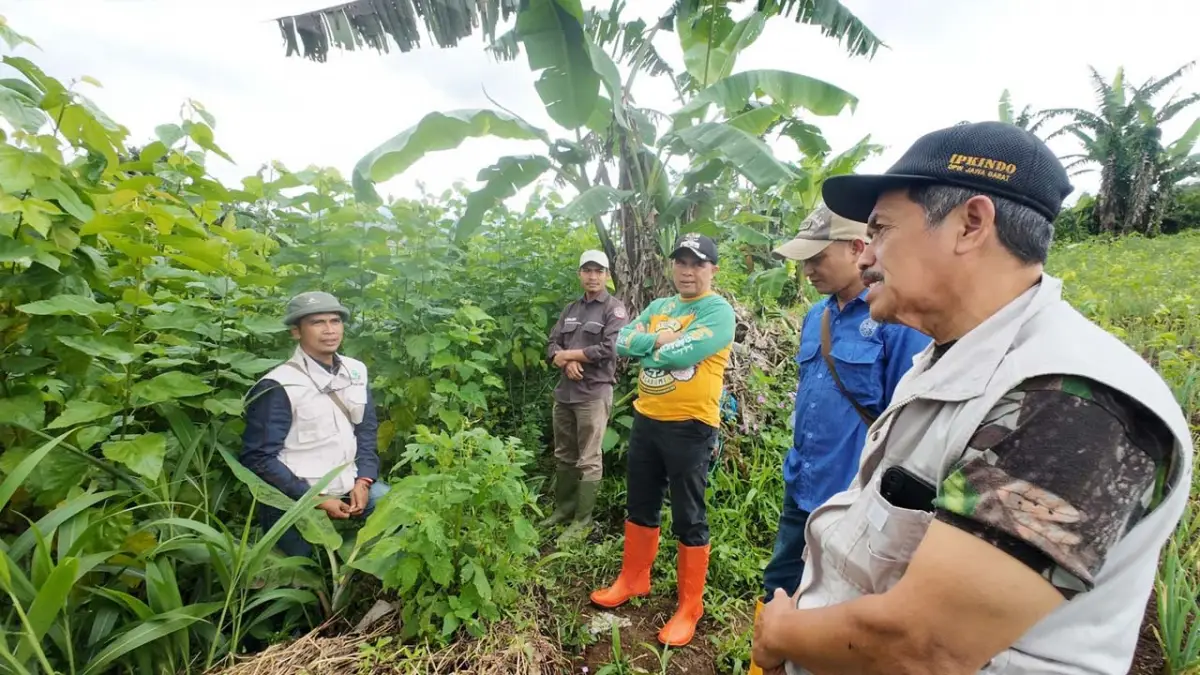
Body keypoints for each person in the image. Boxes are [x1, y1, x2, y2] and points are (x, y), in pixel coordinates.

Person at [751, 121, 1194, 675]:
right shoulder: (953, 358)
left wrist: (784, 633)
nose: (867, 258)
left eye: (883, 230)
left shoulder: (1072, 403)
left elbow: (924, 647)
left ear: (971, 225)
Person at [747, 206, 930, 675]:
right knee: (781, 585)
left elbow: (905, 423)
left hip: (854, 501)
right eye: (802, 259)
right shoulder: (816, 317)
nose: (807, 269)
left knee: (834, 605)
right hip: (802, 484)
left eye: (817, 257)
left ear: (857, 248)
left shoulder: (896, 322)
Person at [590, 232, 736, 648]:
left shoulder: (717, 311)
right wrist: (658, 340)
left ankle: (690, 605)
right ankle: (634, 578)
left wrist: (651, 348)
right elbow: (620, 341)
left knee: (689, 514)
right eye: (681, 262)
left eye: (697, 263)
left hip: (691, 426)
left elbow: (682, 356)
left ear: (712, 270)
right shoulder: (661, 307)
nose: (687, 271)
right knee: (640, 502)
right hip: (647, 420)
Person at [240, 291, 389, 558]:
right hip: (295, 497)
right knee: (302, 573)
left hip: (349, 485)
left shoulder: (356, 371)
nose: (329, 330)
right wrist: (317, 500)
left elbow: (365, 430)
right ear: (296, 332)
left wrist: (364, 481)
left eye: (335, 321)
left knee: (399, 514)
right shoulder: (278, 385)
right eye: (317, 323)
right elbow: (259, 458)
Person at [542, 250, 629, 536]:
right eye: (587, 270)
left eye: (598, 271)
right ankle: (563, 510)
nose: (593, 276)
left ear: (606, 275)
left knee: (589, 459)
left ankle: (582, 521)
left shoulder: (614, 309)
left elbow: (611, 348)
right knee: (564, 453)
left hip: (593, 393)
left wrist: (570, 355)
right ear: (580, 274)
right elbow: (552, 345)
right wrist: (565, 361)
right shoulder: (570, 309)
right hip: (565, 394)